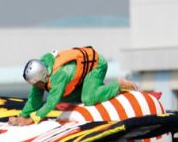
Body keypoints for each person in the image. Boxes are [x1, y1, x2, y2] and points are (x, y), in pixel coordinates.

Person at [8, 46, 138, 126]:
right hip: (80, 77)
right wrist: (22, 115)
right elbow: (34, 99)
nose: (36, 87)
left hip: (97, 65)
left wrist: (32, 119)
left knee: (88, 98)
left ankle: (118, 84)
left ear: (42, 76)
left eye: (36, 84)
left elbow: (51, 102)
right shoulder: (42, 74)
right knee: (64, 97)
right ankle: (100, 90)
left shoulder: (58, 76)